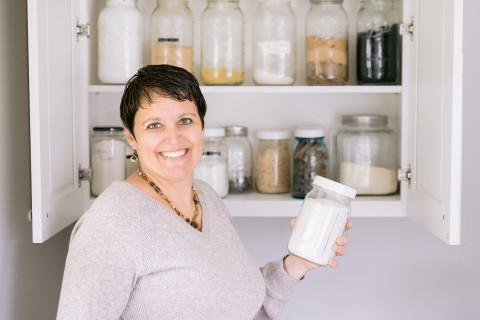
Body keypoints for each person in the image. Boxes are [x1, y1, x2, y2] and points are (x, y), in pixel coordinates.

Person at [56, 64, 353, 320]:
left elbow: (241, 309)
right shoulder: (110, 225)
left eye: (185, 121)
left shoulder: (207, 197)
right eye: (154, 125)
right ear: (131, 136)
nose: (173, 138)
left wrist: (297, 263)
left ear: (202, 126)